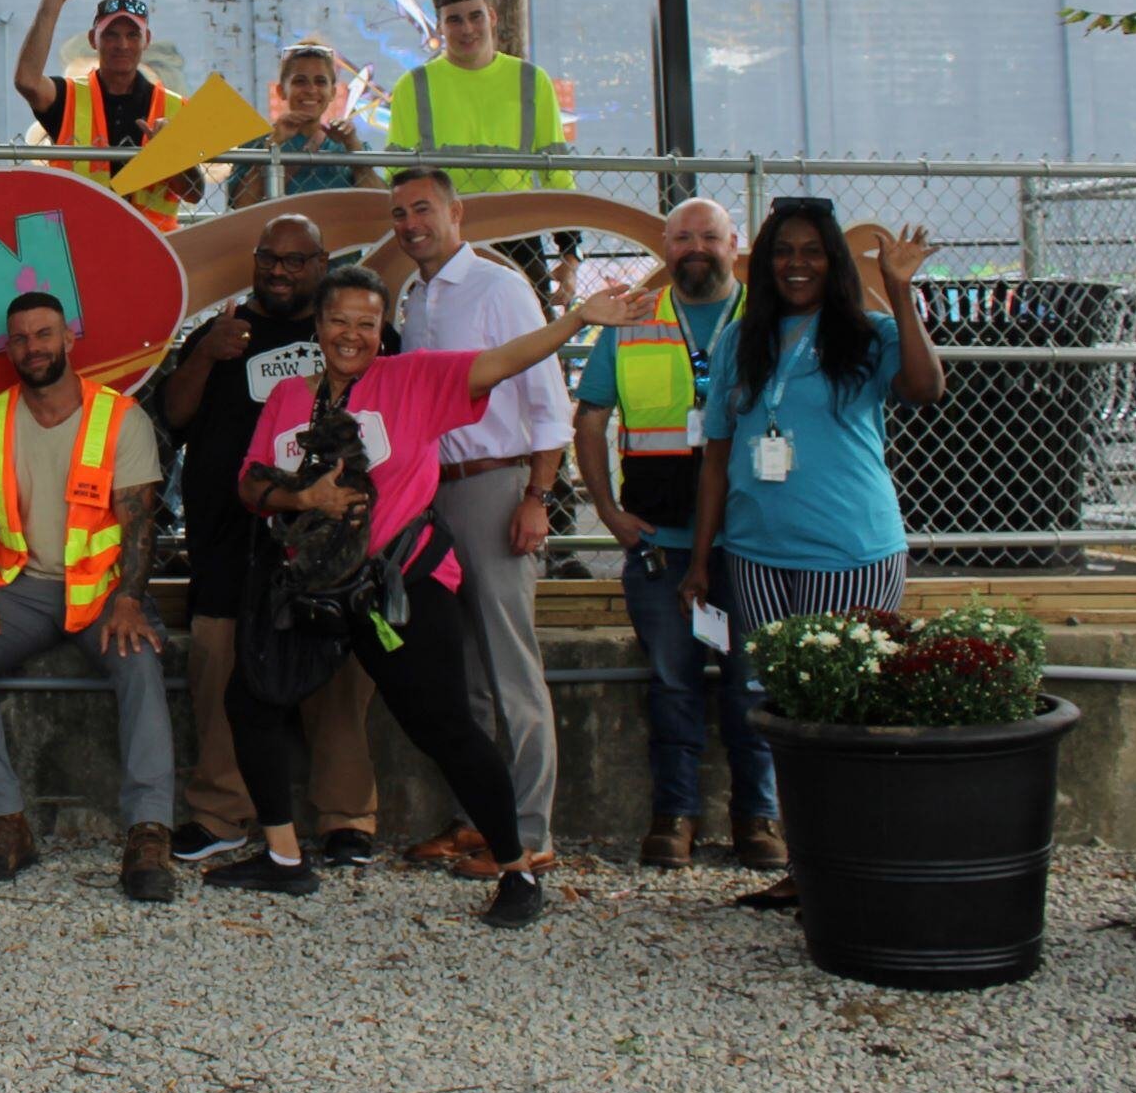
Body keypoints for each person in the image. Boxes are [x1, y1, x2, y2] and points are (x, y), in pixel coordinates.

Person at [220, 265, 653, 929]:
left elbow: (502, 360)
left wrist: (576, 321)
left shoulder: (410, 379)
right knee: (251, 694)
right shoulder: (287, 397)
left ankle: (517, 867)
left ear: (381, 332)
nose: (352, 335)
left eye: (367, 323)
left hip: (398, 585)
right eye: (339, 320)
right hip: (315, 586)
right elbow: (251, 484)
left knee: (444, 725)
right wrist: (303, 497)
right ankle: (282, 858)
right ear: (318, 326)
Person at [685, 202, 945, 907]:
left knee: (845, 709)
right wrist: (702, 558)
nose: (796, 264)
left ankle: (855, 867)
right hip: (757, 553)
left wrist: (897, 288)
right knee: (779, 710)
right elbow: (714, 457)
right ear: (762, 263)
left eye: (812, 251)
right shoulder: (743, 340)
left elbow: (926, 388)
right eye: (782, 252)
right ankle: (808, 868)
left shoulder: (869, 332)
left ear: (832, 261)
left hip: (851, 548)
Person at [155, 214, 396, 868]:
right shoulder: (219, 330)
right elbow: (172, 416)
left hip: (331, 546)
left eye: (297, 260)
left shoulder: (357, 337)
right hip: (232, 540)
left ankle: (347, 818)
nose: (281, 271)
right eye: (270, 259)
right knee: (219, 672)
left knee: (339, 679)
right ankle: (219, 813)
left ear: (323, 264)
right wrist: (207, 352)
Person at [0, 291, 180, 902]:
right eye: (20, 338)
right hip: (25, 590)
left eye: (44, 335)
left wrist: (129, 599)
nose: (33, 348)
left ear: (69, 338)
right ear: (9, 348)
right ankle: (4, 821)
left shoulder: (118, 417)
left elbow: (138, 522)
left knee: (139, 661)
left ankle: (148, 831)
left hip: (103, 592)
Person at [572, 199, 782, 872]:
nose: (696, 247)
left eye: (710, 237)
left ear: (734, 243)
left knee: (755, 683)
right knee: (672, 682)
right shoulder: (632, 318)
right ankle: (676, 814)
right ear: (665, 244)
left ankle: (760, 818)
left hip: (752, 543)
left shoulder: (772, 318)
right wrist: (605, 509)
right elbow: (590, 418)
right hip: (659, 543)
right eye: (683, 236)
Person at [387, 167, 571, 878]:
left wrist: (538, 495)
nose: (410, 224)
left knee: (510, 665)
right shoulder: (417, 299)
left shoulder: (500, 289)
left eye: (423, 209)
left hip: (496, 487)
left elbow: (546, 395)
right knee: (463, 668)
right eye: (399, 213)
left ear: (456, 213)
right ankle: (480, 822)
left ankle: (530, 834)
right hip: (436, 496)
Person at [386, 0, 577, 301]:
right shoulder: (412, 86)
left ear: (492, 15)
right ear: (441, 25)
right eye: (454, 20)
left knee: (531, 340)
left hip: (516, 233)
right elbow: (395, 177)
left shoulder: (532, 81)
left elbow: (556, 174)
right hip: (443, 235)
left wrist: (570, 255)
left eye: (475, 16)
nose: (467, 29)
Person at [13, 0, 202, 231]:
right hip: (81, 244)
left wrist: (170, 153)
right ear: (94, 40)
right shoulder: (68, 97)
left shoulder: (176, 108)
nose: (122, 44)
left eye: (132, 35)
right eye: (111, 34)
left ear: (146, 41)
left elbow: (194, 193)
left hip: (154, 249)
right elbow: (26, 80)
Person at [228, 44, 384, 208]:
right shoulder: (255, 146)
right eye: (300, 81)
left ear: (332, 92)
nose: (311, 90)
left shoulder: (347, 144)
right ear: (282, 90)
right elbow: (240, 206)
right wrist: (273, 144)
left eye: (320, 81)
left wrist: (353, 148)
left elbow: (381, 206)